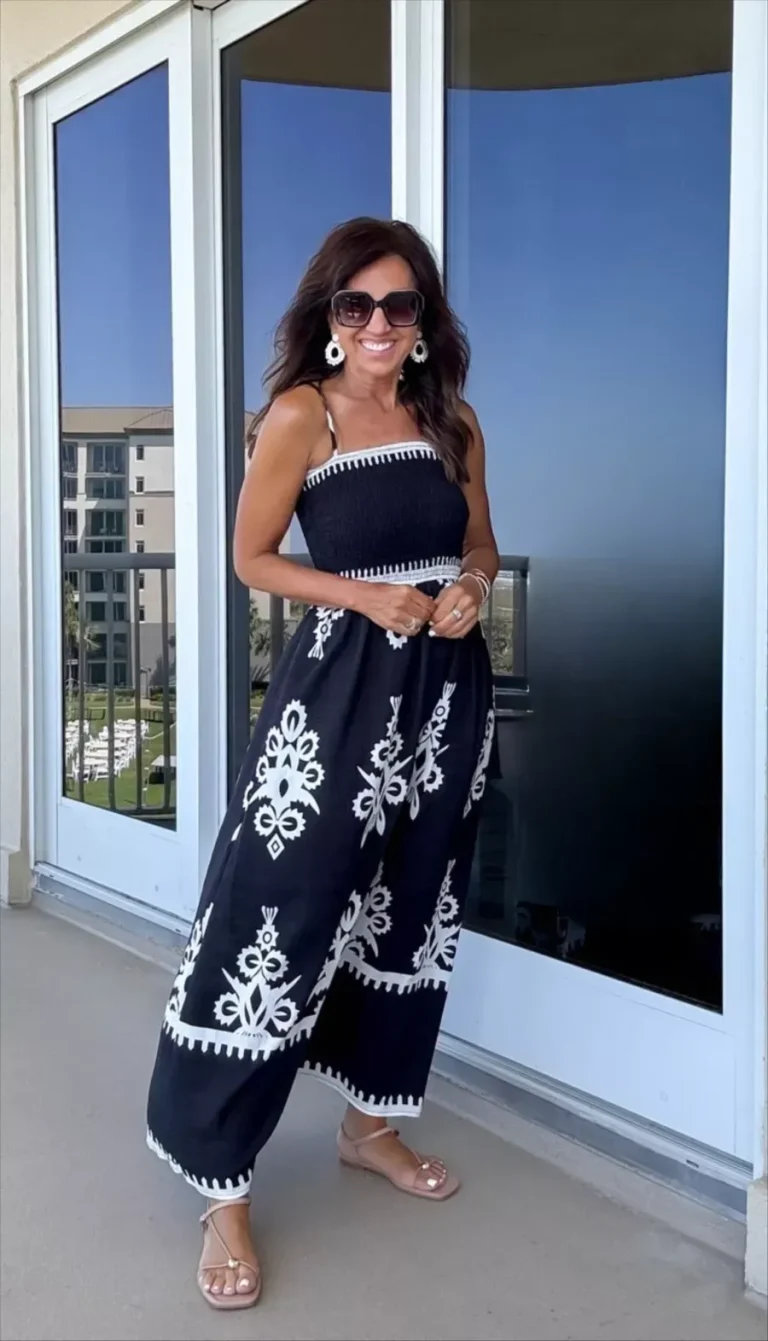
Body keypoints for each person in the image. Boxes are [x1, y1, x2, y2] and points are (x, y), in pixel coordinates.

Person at [146, 217, 499, 1310]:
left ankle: (369, 1124)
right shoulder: (304, 415)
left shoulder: (453, 420)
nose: (379, 323)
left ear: (425, 320)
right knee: (279, 910)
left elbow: (480, 540)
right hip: (339, 695)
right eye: (358, 304)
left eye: (400, 304)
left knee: (413, 907)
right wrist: (365, 595)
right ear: (331, 318)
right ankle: (222, 1182)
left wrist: (472, 586)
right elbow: (251, 558)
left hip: (446, 695)